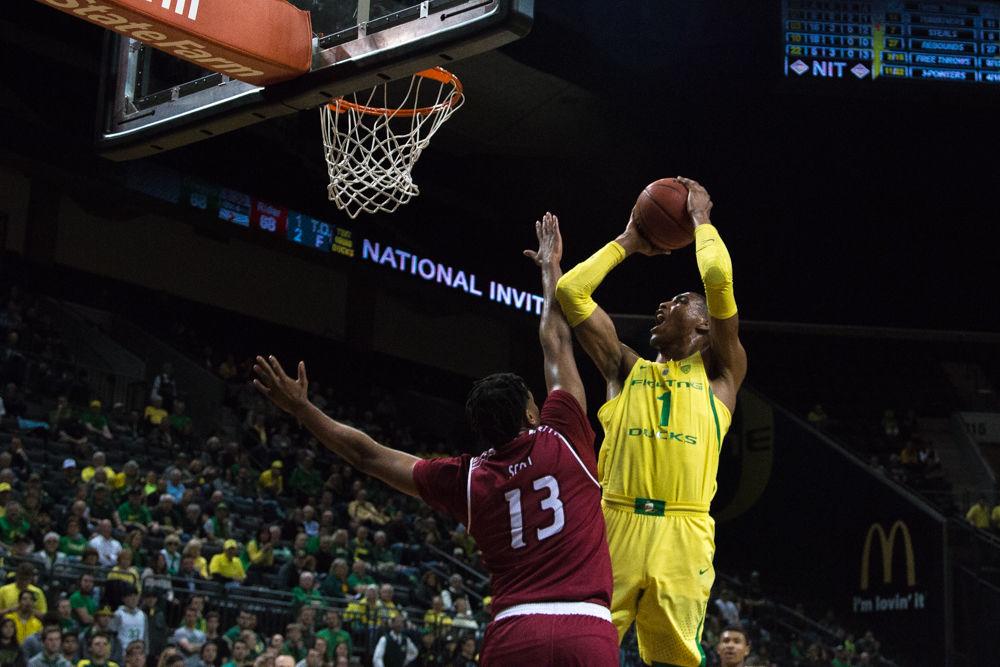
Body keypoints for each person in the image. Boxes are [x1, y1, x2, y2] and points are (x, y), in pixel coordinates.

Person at [252, 213, 617, 665]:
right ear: (530, 411)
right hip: (586, 624)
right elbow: (555, 341)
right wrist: (549, 268)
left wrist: (303, 409)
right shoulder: (562, 434)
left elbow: (367, 455)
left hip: (514, 630)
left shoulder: (466, 479)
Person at [556, 177, 746, 666]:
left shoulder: (723, 375)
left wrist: (701, 220)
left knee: (674, 661)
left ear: (704, 325)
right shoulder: (625, 368)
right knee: (581, 651)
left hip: (683, 532)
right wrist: (628, 243)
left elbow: (718, 280)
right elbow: (570, 291)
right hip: (614, 519)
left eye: (680, 302)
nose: (663, 305)